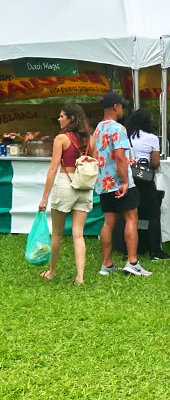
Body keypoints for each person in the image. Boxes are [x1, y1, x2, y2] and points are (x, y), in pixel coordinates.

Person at [94, 92, 151, 277]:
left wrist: (124, 163)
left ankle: (106, 264)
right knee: (131, 217)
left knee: (108, 222)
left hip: (104, 182)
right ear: (116, 107)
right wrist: (126, 181)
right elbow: (118, 156)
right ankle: (132, 262)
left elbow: (97, 154)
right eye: (122, 106)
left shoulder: (98, 128)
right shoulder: (118, 128)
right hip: (119, 182)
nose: (123, 110)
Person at [38, 104, 95, 285]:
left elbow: (53, 168)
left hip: (66, 182)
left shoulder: (61, 138)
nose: (59, 119)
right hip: (85, 187)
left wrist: (44, 197)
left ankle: (52, 271)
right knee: (78, 234)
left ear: (71, 118)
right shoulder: (91, 139)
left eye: (62, 116)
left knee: (57, 233)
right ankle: (80, 277)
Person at [127, 108, 170, 261]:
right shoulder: (152, 138)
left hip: (128, 179)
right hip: (145, 180)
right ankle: (155, 251)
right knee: (153, 214)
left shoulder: (126, 136)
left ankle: (129, 250)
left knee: (130, 216)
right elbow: (155, 163)